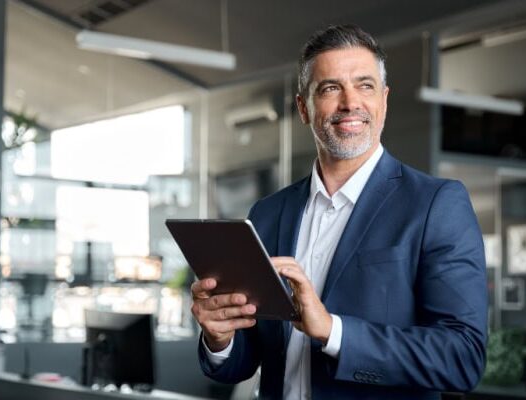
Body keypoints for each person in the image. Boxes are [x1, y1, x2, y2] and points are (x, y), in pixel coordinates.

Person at [190, 24, 487, 400]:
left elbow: (462, 359)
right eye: (330, 88)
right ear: (303, 108)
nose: (350, 103)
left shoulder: (435, 204)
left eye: (365, 85)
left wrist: (333, 332)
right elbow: (245, 360)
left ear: (384, 99)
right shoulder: (267, 213)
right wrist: (220, 337)